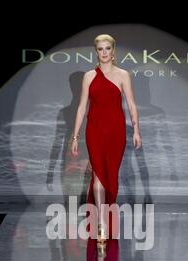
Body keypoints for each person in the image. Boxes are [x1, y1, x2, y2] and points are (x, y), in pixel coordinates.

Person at [71, 34, 142, 247]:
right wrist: (74, 136)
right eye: (100, 49)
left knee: (110, 175)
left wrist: (136, 131)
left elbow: (131, 105)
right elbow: (82, 107)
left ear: (113, 50)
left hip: (116, 132)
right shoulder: (89, 76)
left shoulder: (123, 75)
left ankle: (105, 217)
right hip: (94, 131)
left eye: (107, 48)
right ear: (96, 51)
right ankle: (101, 223)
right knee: (99, 174)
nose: (104, 52)